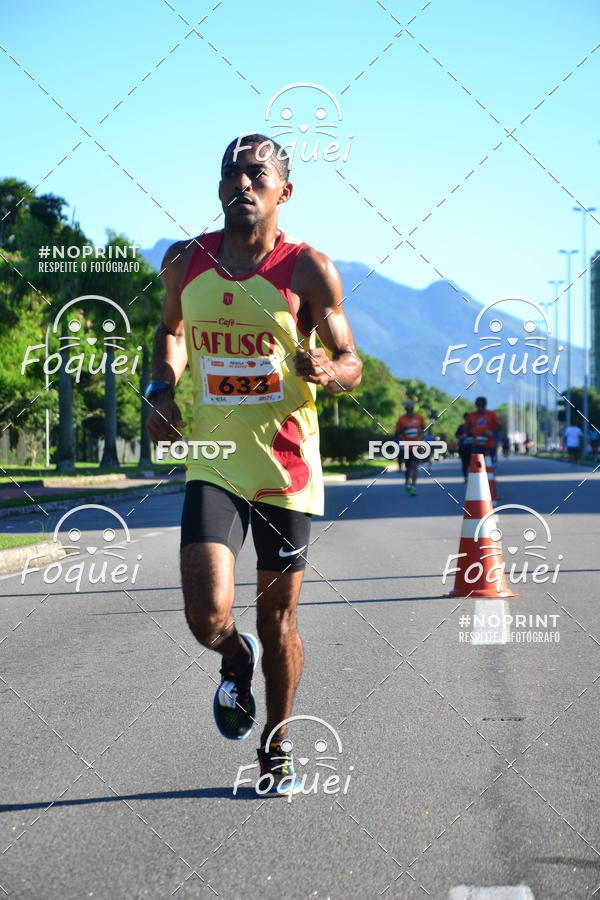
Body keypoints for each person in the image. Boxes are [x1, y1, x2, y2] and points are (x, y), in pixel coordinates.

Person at [146, 134, 362, 794]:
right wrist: (162, 388)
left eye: (257, 174)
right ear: (218, 187)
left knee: (279, 620)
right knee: (207, 616)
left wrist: (328, 369)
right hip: (214, 461)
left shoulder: (308, 270)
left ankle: (277, 747)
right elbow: (173, 333)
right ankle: (236, 661)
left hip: (285, 470)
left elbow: (353, 364)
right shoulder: (186, 261)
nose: (242, 183)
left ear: (283, 192)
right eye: (231, 173)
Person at [394, 399, 426, 495]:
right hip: (406, 447)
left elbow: (424, 429)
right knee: (408, 468)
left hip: (417, 446)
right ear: (405, 409)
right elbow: (396, 433)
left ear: (413, 408)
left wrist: (421, 433)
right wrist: (402, 429)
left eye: (410, 408)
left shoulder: (419, 418)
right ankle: (407, 481)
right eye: (407, 408)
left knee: (415, 466)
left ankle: (413, 486)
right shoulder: (401, 419)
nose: (409, 410)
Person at [465, 397, 501, 464]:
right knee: (477, 463)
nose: (480, 408)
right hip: (476, 444)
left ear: (485, 405)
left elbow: (498, 426)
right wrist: (467, 434)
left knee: (488, 463)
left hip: (488, 443)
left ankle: (489, 472)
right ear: (476, 406)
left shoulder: (491, 414)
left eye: (482, 406)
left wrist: (492, 432)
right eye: (479, 406)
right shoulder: (472, 415)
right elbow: (467, 427)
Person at [455, 412, 472, 481]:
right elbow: (456, 435)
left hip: (472, 448)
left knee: (472, 463)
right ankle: (465, 476)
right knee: (464, 463)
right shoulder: (461, 427)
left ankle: (472, 476)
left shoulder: (473, 427)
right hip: (463, 448)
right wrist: (461, 437)